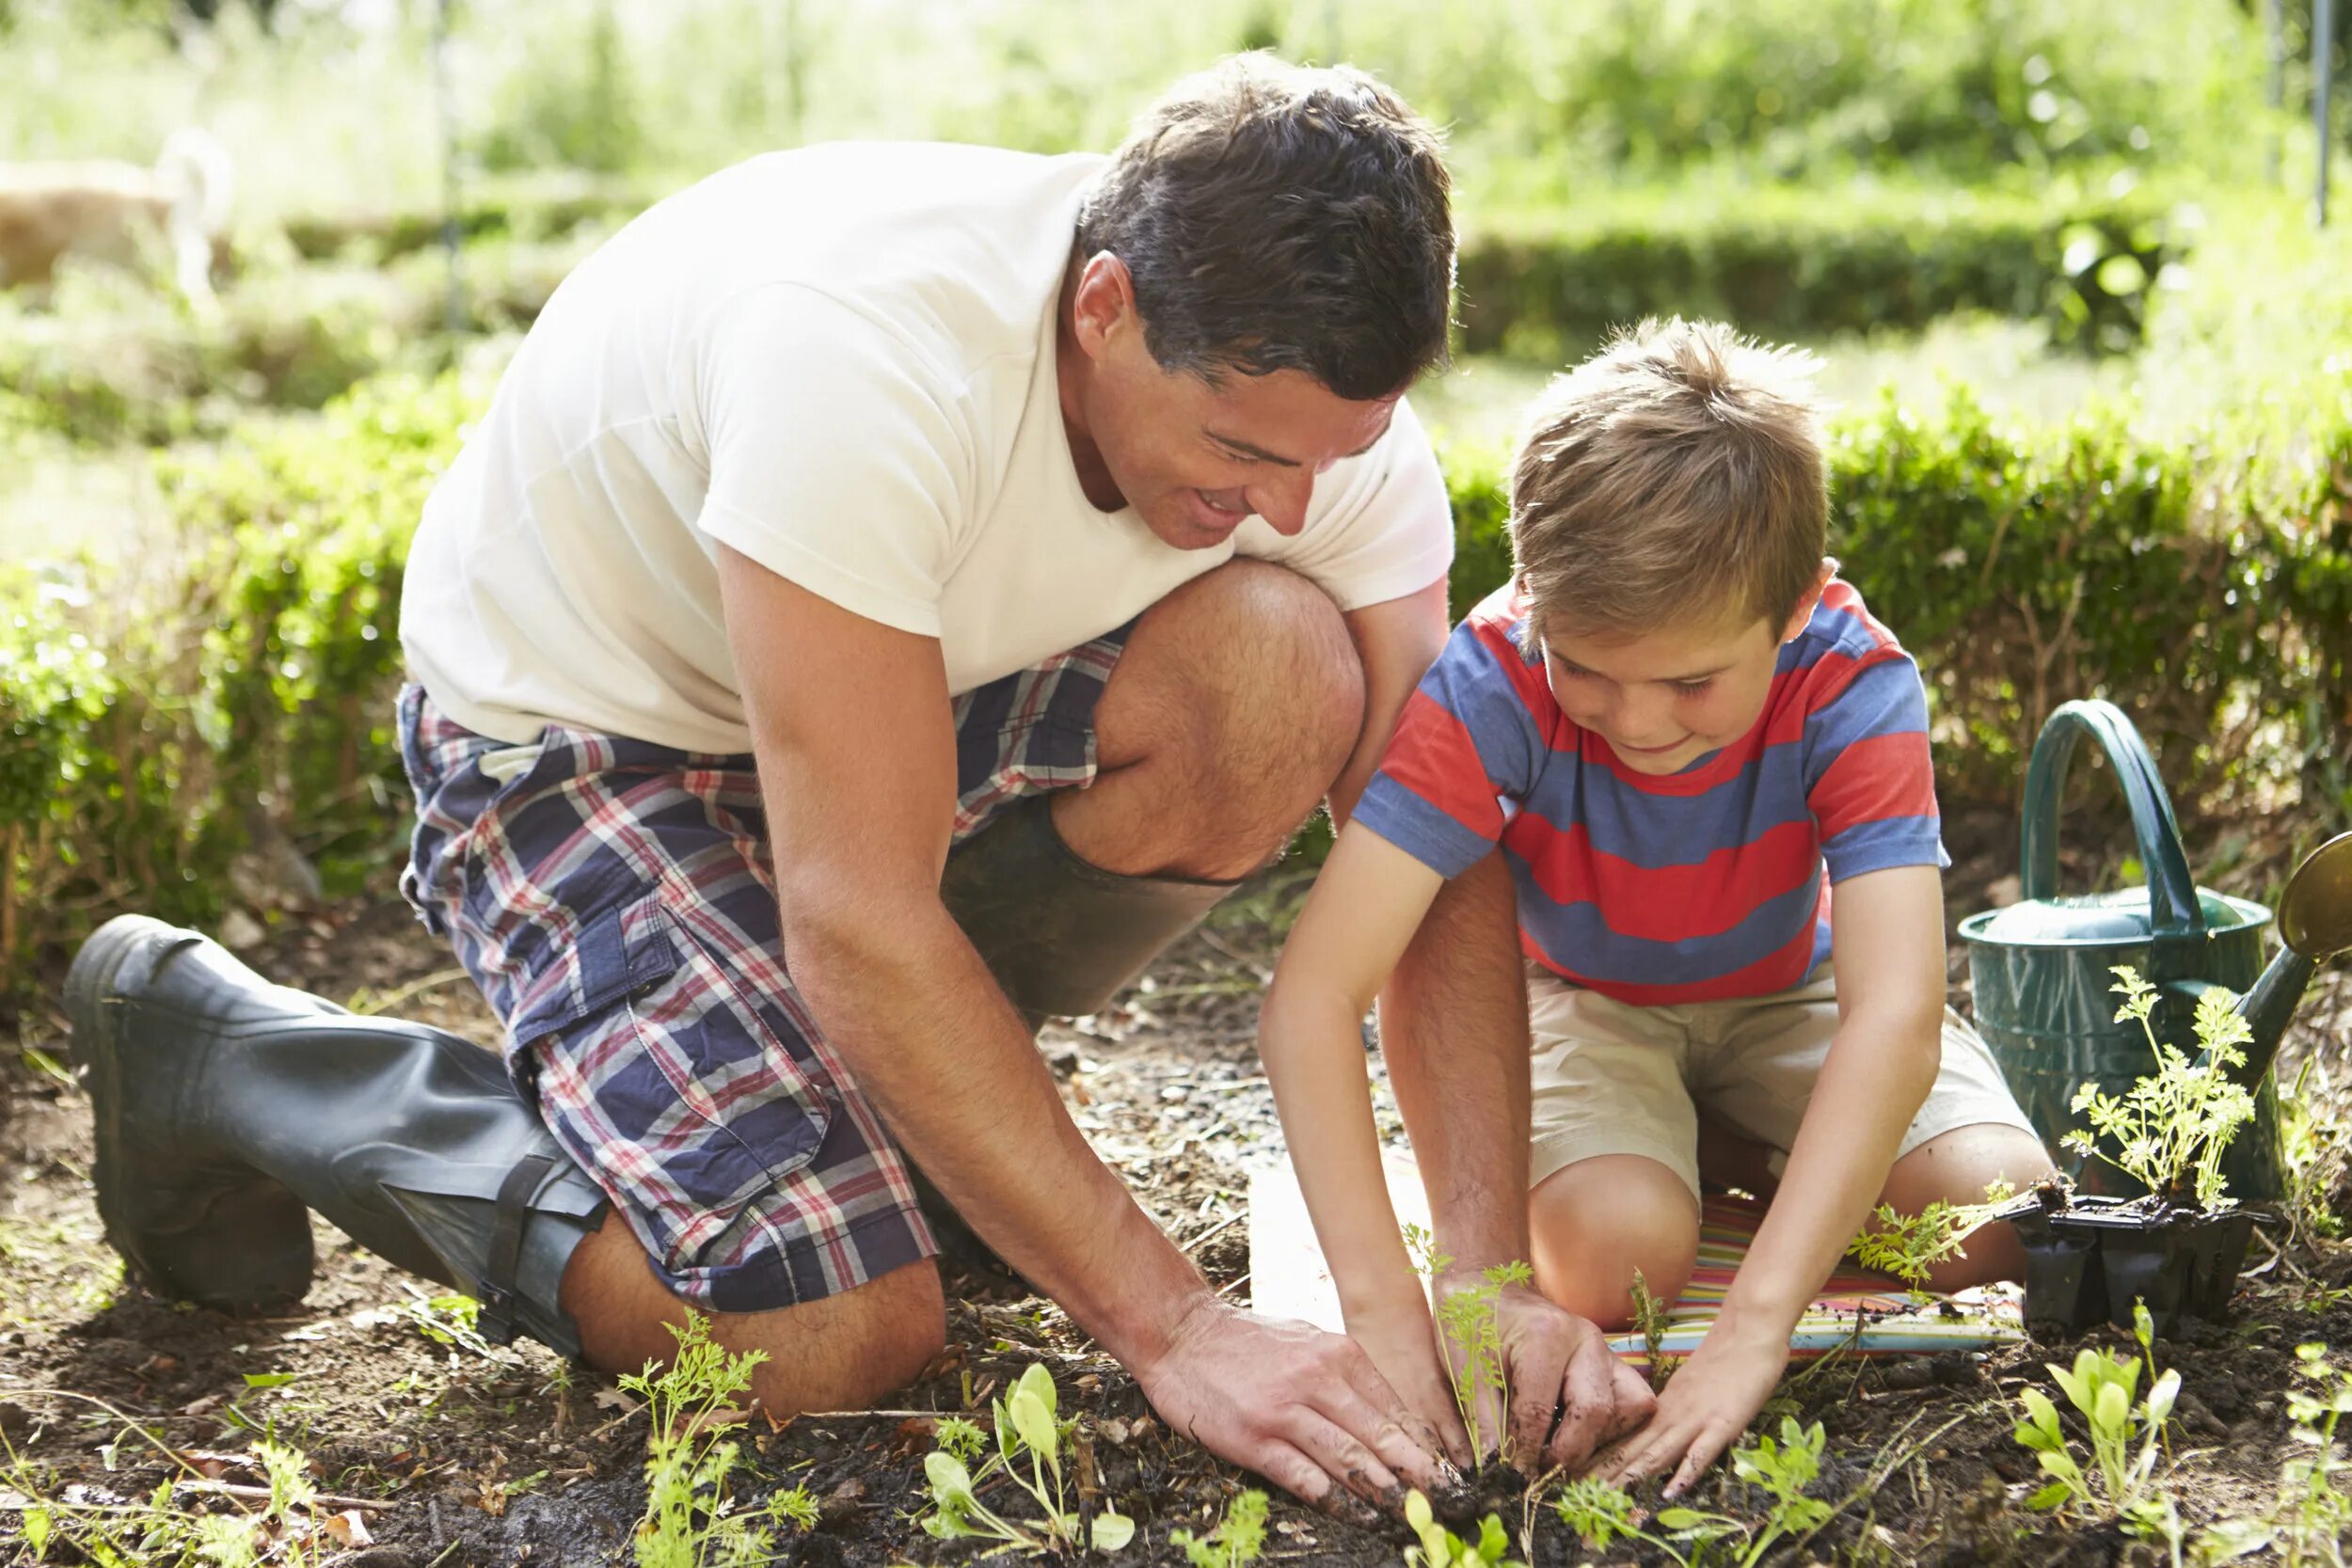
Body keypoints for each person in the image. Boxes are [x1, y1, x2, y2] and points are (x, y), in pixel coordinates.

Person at [64, 55, 1652, 1511]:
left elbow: (1432, 851)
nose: (1296, 498)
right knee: (831, 1319)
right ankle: (225, 1054)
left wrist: (1482, 1269)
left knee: (1278, 676)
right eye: (1244, 451)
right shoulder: (866, 356)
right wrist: (1176, 1325)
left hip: (888, 711)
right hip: (582, 739)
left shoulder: (1318, 439)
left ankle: (878, 1124)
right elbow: (857, 909)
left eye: (1338, 450)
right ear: (1104, 305)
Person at [1254, 317, 2057, 1492]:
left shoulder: (1851, 675)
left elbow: (1893, 1010)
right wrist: (1389, 1309)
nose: (1635, 721)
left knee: (2000, 1217)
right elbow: (1311, 999)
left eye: (1691, 681)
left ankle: (1738, 1142)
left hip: (1792, 988)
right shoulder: (1492, 678)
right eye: (1587, 666)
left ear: (1793, 611)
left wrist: (1756, 1323)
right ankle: (1719, 1149)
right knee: (1612, 1262)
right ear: (1532, 594)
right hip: (1586, 998)